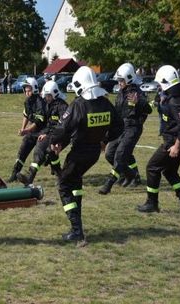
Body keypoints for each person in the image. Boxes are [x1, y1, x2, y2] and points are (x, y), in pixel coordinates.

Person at [49, 66, 122, 243]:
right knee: (75, 181)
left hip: (80, 152)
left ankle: (76, 230)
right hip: (94, 152)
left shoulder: (79, 105)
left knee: (64, 185)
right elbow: (119, 126)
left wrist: (53, 142)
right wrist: (104, 140)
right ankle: (77, 226)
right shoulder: (105, 103)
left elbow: (63, 129)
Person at [137, 65, 180, 215]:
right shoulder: (178, 94)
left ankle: (152, 203)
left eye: (160, 83)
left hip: (175, 142)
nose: (159, 86)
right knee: (169, 171)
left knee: (152, 167)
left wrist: (176, 146)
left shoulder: (176, 101)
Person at [99, 63, 151, 195]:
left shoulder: (137, 92)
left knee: (121, 155)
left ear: (128, 78)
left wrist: (138, 102)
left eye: (121, 80)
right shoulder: (121, 93)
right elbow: (117, 112)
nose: (119, 82)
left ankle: (109, 183)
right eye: (118, 80)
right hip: (120, 127)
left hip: (133, 128)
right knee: (110, 154)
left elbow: (148, 109)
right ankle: (130, 175)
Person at [16, 80, 68, 186]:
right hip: (51, 133)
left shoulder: (62, 106)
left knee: (44, 148)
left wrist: (54, 138)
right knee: (48, 151)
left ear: (54, 93)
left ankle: (30, 176)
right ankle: (59, 175)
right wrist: (44, 133)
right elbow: (49, 124)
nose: (46, 98)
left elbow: (63, 126)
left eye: (48, 95)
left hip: (62, 135)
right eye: (46, 95)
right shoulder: (49, 105)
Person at [6, 77, 46, 182]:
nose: (27, 92)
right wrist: (23, 129)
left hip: (43, 132)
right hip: (32, 131)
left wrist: (27, 130)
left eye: (29, 90)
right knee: (22, 151)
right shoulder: (27, 101)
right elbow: (26, 115)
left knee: (38, 155)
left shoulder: (40, 102)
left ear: (35, 89)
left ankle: (30, 176)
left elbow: (39, 121)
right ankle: (14, 174)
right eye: (25, 90)